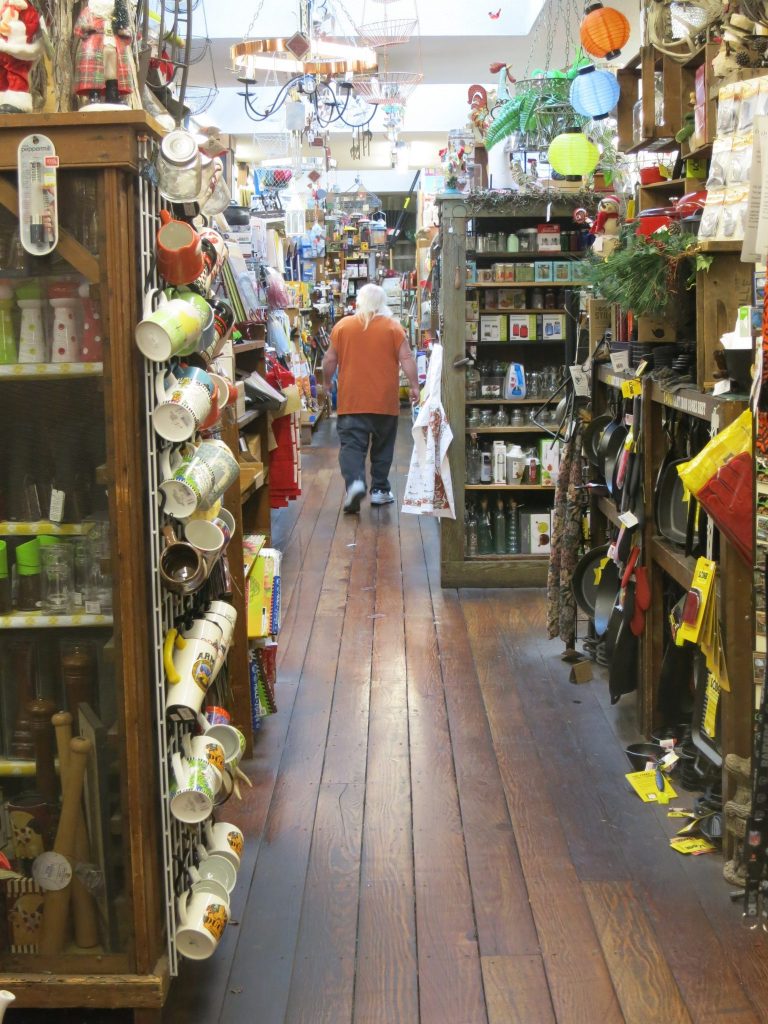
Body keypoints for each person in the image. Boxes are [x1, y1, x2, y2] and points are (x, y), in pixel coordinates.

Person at [322, 283, 419, 513]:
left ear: (359, 301)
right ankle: (379, 491)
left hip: (351, 401)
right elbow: (407, 358)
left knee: (352, 447)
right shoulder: (393, 328)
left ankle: (355, 482)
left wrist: (326, 382)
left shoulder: (343, 326)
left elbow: (329, 359)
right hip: (384, 402)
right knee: (383, 447)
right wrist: (414, 386)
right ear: (382, 302)